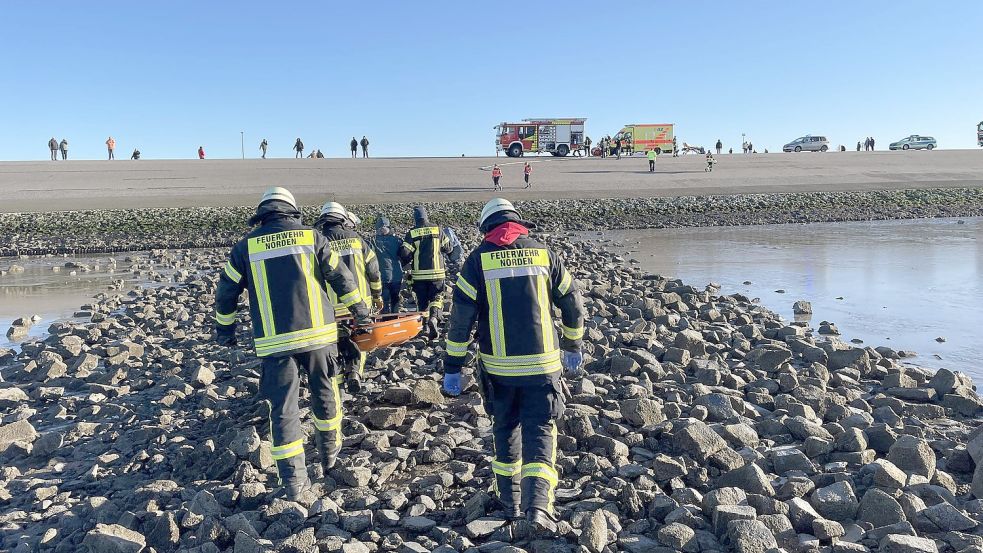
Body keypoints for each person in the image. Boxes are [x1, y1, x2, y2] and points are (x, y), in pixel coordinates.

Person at [214, 187, 371, 500]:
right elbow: (341, 277)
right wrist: (361, 312)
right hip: (319, 337)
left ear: (262, 215)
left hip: (276, 345)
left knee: (283, 410)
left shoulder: (245, 247)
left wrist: (225, 332)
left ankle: (294, 483)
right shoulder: (312, 237)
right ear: (291, 210)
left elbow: (226, 292)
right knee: (326, 392)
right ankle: (329, 455)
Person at [441, 198, 585, 534]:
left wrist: (453, 366)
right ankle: (538, 509)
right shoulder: (545, 254)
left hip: (499, 371)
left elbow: (461, 320)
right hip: (543, 367)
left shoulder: (477, 261)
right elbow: (573, 302)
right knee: (540, 433)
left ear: (486, 228)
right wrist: (573, 344)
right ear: (518, 222)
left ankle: (510, 501)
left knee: (505, 430)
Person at [314, 201, 384, 393]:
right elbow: (374, 271)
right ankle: (355, 372)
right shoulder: (357, 239)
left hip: (330, 308)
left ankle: (335, 384)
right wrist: (377, 294)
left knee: (333, 346)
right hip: (360, 304)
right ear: (343, 219)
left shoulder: (317, 242)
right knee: (361, 340)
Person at [398, 206, 452, 339]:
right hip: (437, 273)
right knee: (437, 298)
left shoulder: (413, 233)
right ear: (426, 216)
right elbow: (448, 248)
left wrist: (407, 259)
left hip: (419, 275)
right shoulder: (437, 229)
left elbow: (404, 252)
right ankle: (434, 318)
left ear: (415, 218)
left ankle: (425, 327)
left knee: (422, 301)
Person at [372, 216, 405, 314]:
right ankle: (395, 319)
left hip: (382, 276)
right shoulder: (397, 240)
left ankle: (385, 321)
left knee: (384, 301)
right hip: (396, 275)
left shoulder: (373, 241)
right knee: (395, 300)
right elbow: (404, 255)